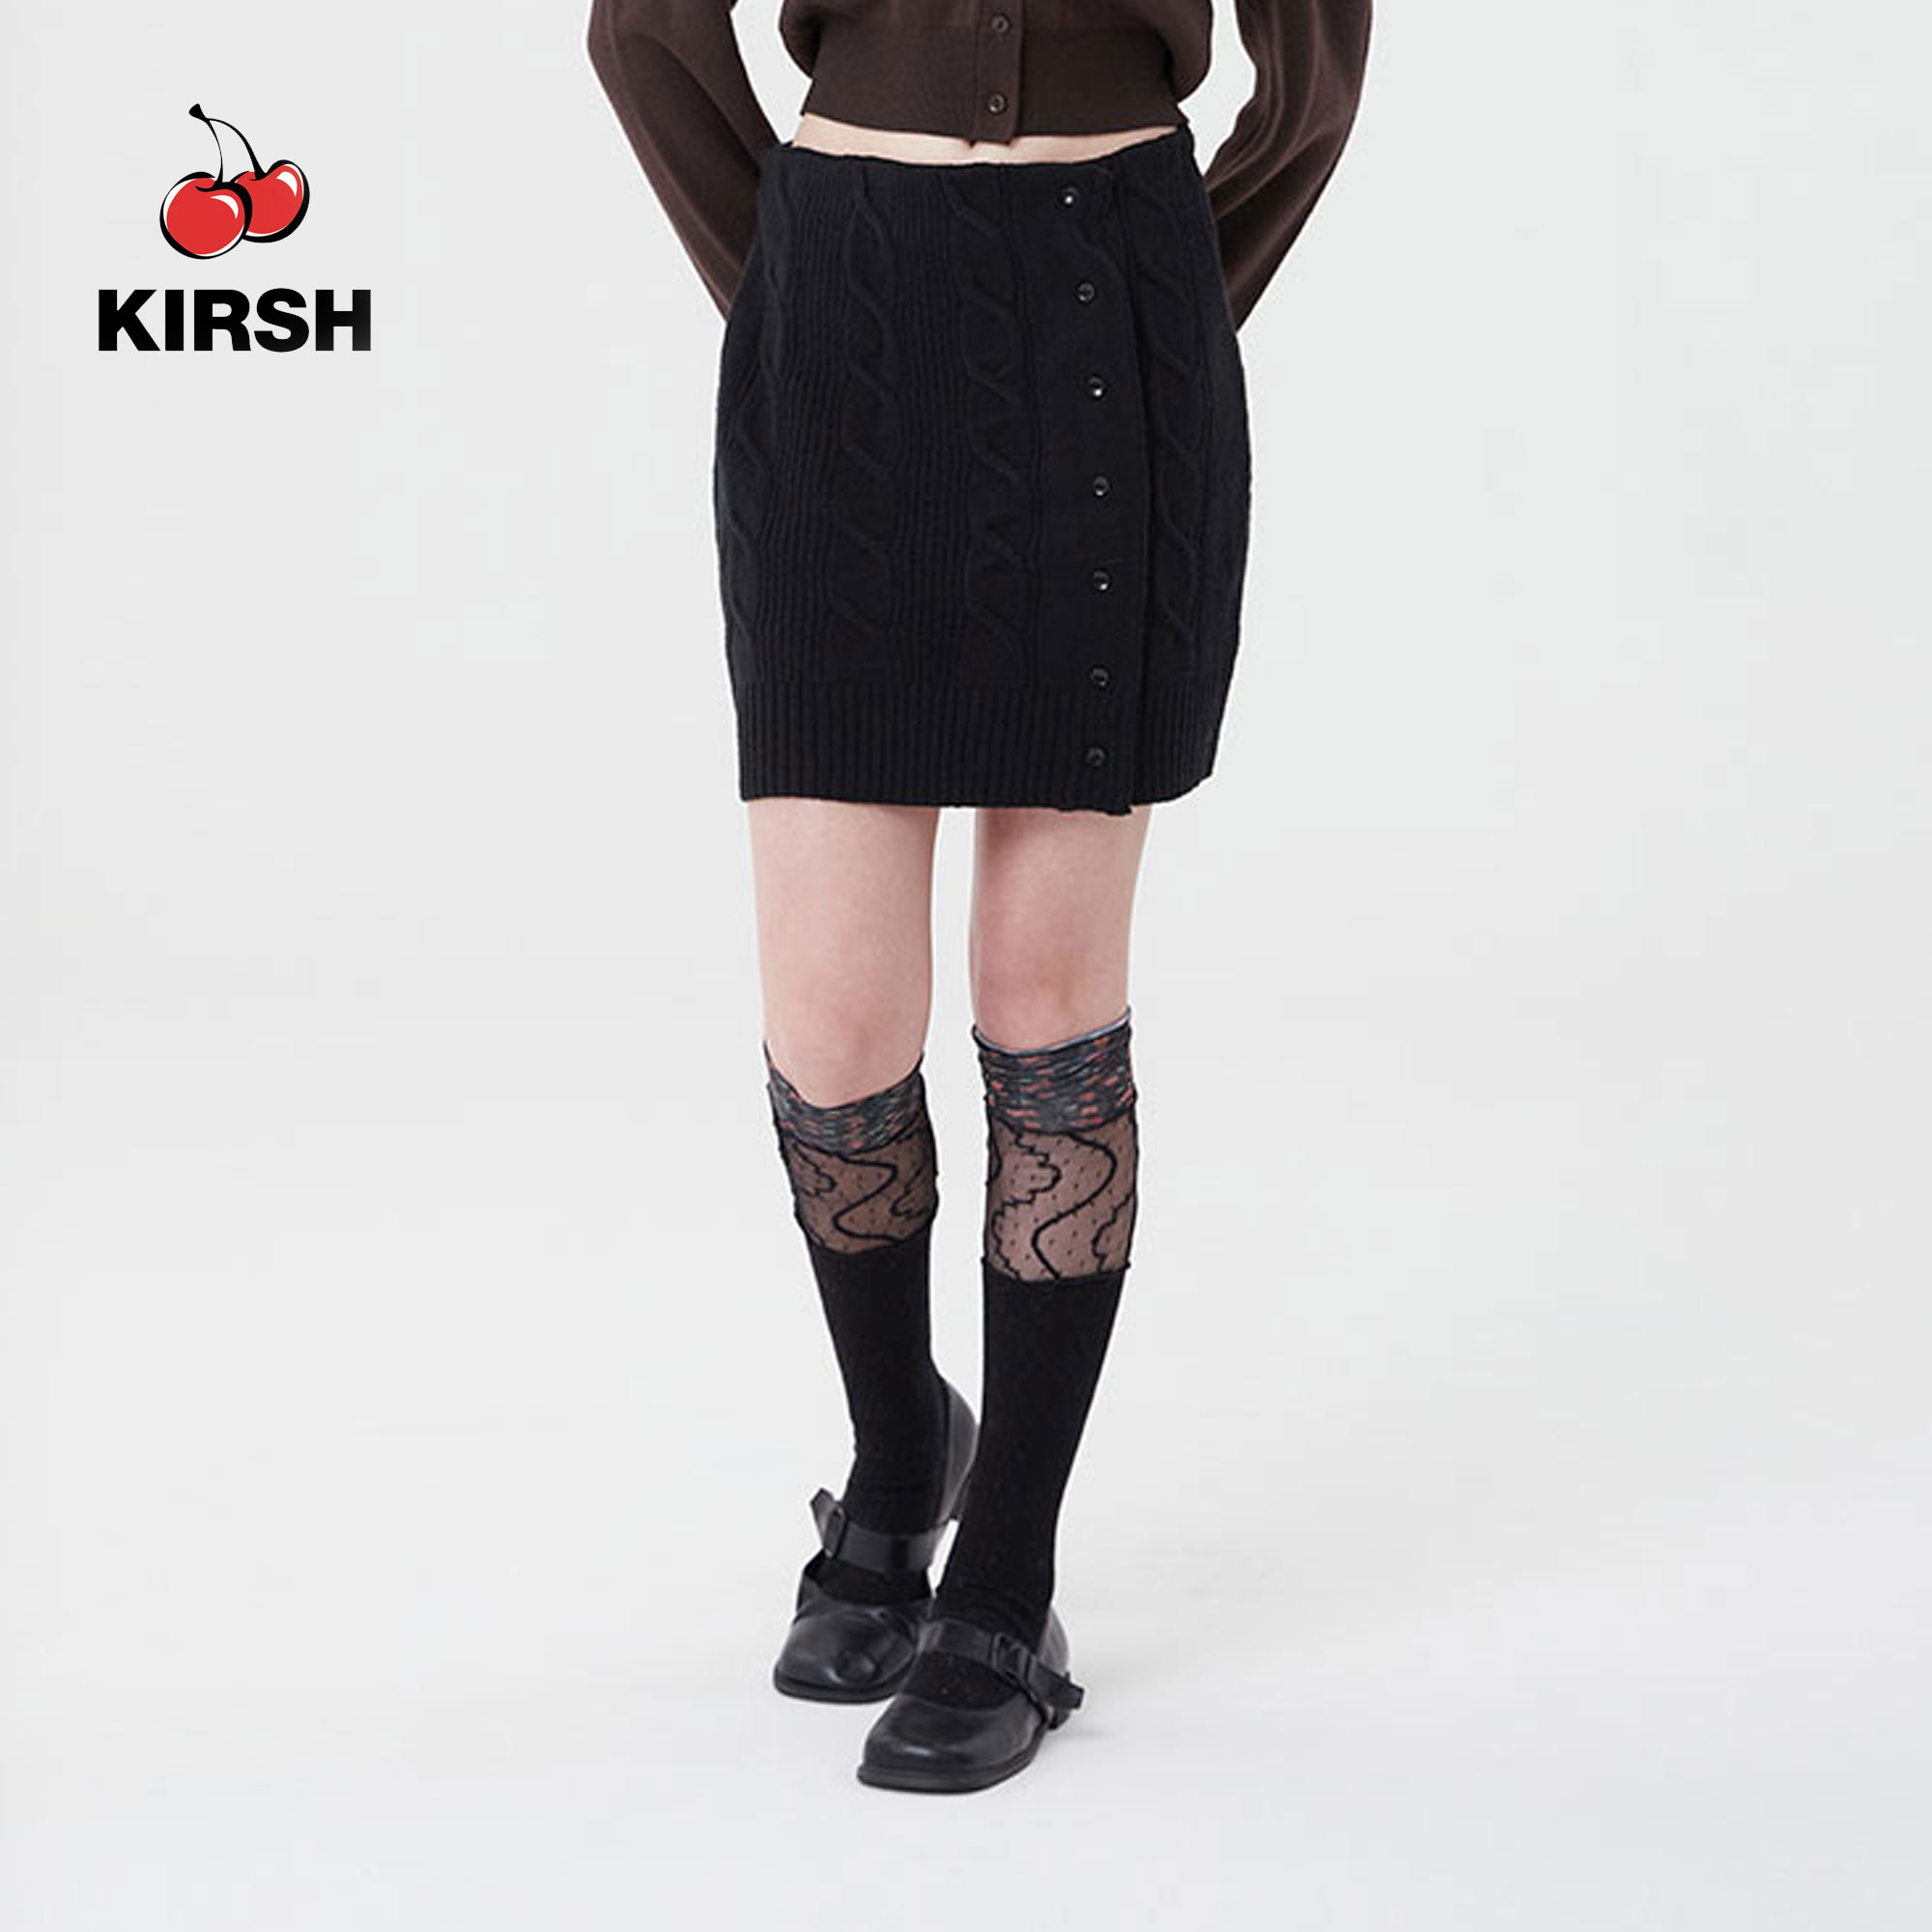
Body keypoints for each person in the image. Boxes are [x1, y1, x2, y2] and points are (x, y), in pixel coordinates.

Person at [585, 0, 1373, 1794]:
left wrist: (1165, 294)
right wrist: (802, 286)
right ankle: (898, 1452)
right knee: (834, 1018)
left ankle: (1007, 1572)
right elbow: (642, 31)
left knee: (1046, 999)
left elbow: (1316, 81)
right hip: (843, 318)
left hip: (1113, 317)